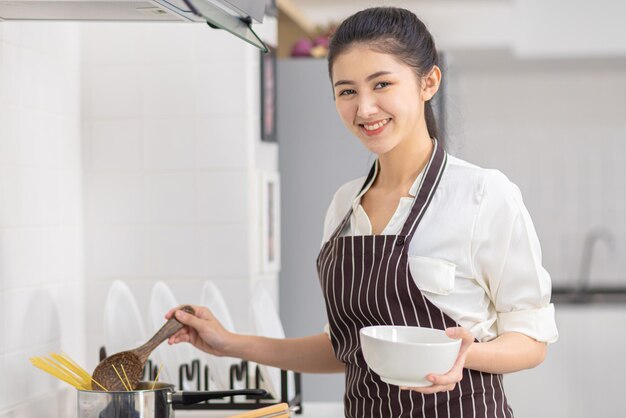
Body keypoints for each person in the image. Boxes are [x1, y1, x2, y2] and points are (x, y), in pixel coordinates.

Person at [166, 6, 558, 417]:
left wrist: (467, 355)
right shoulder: (343, 205)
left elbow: (532, 342)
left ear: (429, 82)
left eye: (382, 84)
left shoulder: (483, 195)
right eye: (347, 91)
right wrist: (231, 343)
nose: (365, 109)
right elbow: (345, 349)